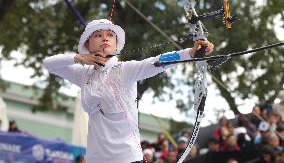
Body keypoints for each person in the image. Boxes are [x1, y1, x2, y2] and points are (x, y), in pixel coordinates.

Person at [43, 19, 214, 163]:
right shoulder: (83, 74)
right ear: (88, 44)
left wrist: (190, 53)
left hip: (127, 158)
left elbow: (157, 62)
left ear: (116, 43)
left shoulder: (125, 69)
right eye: (98, 35)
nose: (105, 38)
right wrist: (79, 58)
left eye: (110, 35)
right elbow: (49, 64)